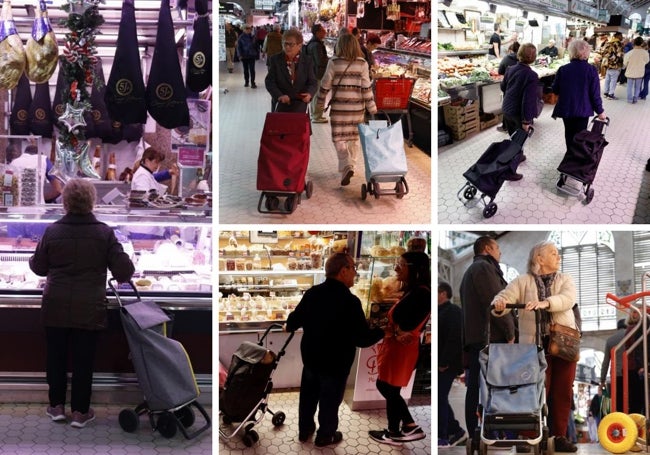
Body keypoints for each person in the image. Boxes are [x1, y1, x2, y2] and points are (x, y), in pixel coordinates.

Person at [29, 178, 135, 428]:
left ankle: (56, 407)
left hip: (55, 304)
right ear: (92, 201)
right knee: (83, 361)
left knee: (55, 357)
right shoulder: (104, 233)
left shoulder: (52, 231)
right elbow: (124, 271)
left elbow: (38, 268)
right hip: (89, 307)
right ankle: (80, 412)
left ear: (65, 202)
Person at [285, 253, 383, 447]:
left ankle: (304, 431)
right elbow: (362, 339)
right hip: (336, 364)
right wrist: (381, 332)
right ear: (343, 271)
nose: (355, 273)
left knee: (308, 397)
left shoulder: (313, 293)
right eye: (353, 268)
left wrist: (293, 324)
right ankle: (325, 436)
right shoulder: (351, 302)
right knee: (330, 402)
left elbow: (292, 321)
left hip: (311, 359)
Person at [492, 241, 578, 453]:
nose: (558, 256)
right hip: (534, 345)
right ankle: (529, 437)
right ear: (539, 259)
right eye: (553, 253)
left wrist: (545, 303)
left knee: (562, 392)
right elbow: (503, 297)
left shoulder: (565, 279)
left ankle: (558, 436)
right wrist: (499, 304)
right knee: (532, 390)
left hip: (563, 343)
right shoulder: (522, 281)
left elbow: (568, 299)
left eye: (558, 253)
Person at [369, 252, 431, 446]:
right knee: (390, 387)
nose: (396, 268)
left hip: (401, 350)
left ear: (415, 269)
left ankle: (411, 426)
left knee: (386, 386)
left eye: (401, 264)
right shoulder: (414, 290)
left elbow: (405, 324)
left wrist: (394, 331)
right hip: (398, 347)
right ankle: (394, 431)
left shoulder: (422, 292)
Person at [459, 236, 516, 441]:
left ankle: (482, 433)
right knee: (490, 388)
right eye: (497, 247)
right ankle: (487, 433)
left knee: (479, 387)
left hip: (480, 339)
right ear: (487, 248)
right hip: (490, 339)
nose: (500, 252)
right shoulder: (483, 269)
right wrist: (510, 332)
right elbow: (496, 303)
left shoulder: (472, 270)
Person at [315, 33, 377, 186]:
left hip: (339, 109)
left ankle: (346, 164)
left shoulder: (334, 62)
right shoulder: (362, 64)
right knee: (354, 139)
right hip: (357, 109)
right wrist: (372, 107)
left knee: (339, 138)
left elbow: (325, 84)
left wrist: (320, 103)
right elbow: (366, 89)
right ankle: (352, 165)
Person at [551, 39, 607, 155]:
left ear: (571, 52)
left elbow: (555, 89)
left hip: (566, 109)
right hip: (583, 110)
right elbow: (595, 94)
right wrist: (600, 111)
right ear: (587, 53)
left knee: (569, 133)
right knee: (580, 135)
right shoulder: (591, 70)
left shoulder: (563, 69)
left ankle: (570, 157)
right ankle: (576, 161)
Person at [500, 43, 540, 180]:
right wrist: (526, 121)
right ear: (533, 57)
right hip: (518, 113)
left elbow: (503, 87)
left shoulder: (510, 69)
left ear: (519, 55)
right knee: (519, 141)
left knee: (513, 138)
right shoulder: (532, 75)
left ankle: (519, 155)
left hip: (507, 109)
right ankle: (510, 172)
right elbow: (528, 101)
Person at [437, 281, 467, 449]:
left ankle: (443, 435)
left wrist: (444, 362)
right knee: (441, 397)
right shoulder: (440, 311)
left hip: (447, 364)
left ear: (443, 294)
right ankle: (455, 430)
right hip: (440, 362)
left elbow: (454, 339)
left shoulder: (453, 311)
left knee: (440, 397)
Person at [265, 29, 318, 113]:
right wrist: (279, 96)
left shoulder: (307, 61)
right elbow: (270, 81)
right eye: (285, 44)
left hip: (300, 104)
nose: (287, 47)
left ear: (299, 46)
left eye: (291, 44)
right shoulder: (275, 59)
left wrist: (309, 94)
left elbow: (312, 82)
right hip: (281, 104)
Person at [600, 319, 627, 412]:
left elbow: (606, 362)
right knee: (630, 401)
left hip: (616, 376)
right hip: (629, 374)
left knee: (618, 403)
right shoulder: (631, 336)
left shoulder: (610, 340)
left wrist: (602, 380)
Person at [305, 24, 329, 122]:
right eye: (323, 30)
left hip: (314, 72)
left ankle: (316, 114)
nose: (325, 32)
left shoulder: (313, 43)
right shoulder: (316, 45)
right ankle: (316, 116)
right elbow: (320, 61)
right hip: (318, 73)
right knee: (318, 95)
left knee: (316, 94)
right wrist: (329, 60)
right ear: (317, 32)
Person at [497, 41, 521, 132]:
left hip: (508, 85)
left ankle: (505, 126)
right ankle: (518, 125)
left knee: (507, 105)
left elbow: (500, 71)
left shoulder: (506, 58)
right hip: (520, 86)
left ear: (511, 50)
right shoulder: (522, 59)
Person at [623, 36, 649, 103]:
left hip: (630, 71)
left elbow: (625, 63)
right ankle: (635, 99)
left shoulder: (629, 53)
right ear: (642, 43)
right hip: (640, 71)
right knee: (637, 87)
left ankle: (629, 99)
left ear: (633, 43)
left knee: (629, 86)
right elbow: (647, 61)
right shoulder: (645, 53)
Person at [600, 32, 625, 99]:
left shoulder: (609, 42)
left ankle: (606, 92)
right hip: (615, 65)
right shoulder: (618, 43)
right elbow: (620, 54)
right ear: (618, 36)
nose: (622, 37)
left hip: (608, 65)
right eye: (621, 35)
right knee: (613, 81)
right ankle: (611, 94)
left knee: (607, 79)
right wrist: (621, 64)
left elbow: (603, 52)